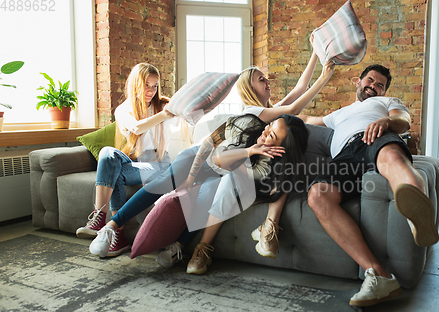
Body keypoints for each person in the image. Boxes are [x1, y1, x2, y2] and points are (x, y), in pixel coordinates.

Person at [88, 53, 335, 262]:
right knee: (162, 184)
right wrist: (324, 76)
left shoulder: (270, 116)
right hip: (197, 157)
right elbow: (293, 108)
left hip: (217, 168)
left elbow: (298, 92)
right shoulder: (256, 112)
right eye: (262, 79)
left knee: (203, 202)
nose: (267, 82)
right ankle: (111, 227)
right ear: (250, 88)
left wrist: (315, 55)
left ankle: (179, 247)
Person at [299, 64, 439, 307]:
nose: (374, 86)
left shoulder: (386, 103)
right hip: (344, 158)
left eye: (380, 85)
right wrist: (273, 113)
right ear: (358, 81)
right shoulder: (339, 113)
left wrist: (386, 122)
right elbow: (307, 119)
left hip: (375, 137)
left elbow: (403, 120)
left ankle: (418, 215)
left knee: (391, 158)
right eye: (370, 81)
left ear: (384, 92)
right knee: (317, 196)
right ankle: (379, 275)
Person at [76, 63, 188, 257]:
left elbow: (184, 117)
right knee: (107, 153)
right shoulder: (123, 110)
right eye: (147, 85)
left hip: (161, 164)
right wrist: (164, 115)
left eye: (155, 86)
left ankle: (117, 236)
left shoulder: (162, 105)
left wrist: (176, 108)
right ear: (136, 84)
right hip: (138, 163)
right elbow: (136, 128)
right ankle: (100, 217)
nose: (151, 91)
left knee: (116, 173)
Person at [184, 114, 309, 274]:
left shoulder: (266, 167)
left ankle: (204, 248)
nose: (265, 131)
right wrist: (249, 150)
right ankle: (195, 247)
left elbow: (227, 166)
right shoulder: (248, 123)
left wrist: (252, 153)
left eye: (271, 135)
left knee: (232, 179)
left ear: (280, 148)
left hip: (221, 174)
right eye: (270, 124)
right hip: (199, 159)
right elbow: (214, 153)